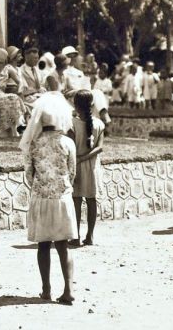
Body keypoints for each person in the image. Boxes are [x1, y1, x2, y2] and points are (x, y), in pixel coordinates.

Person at [20, 74, 77, 305]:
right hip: (62, 197)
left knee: (43, 246)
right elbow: (72, 171)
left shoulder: (34, 144)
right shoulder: (67, 142)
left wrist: (39, 186)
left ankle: (46, 289)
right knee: (63, 247)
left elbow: (28, 174)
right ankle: (68, 289)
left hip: (41, 197)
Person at [69, 90, 104, 247]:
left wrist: (79, 159)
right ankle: (90, 236)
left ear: (75, 105)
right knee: (91, 200)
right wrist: (86, 157)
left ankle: (75, 237)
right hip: (93, 167)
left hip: (76, 164)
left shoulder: (71, 123)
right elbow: (99, 148)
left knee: (76, 200)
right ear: (92, 105)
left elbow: (70, 147)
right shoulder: (99, 124)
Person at [0, 48, 26, 135]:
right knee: (12, 99)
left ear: (0, 58)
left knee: (14, 98)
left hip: (1, 95)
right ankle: (20, 126)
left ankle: (20, 126)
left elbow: (20, 82)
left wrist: (19, 90)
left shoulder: (8, 69)